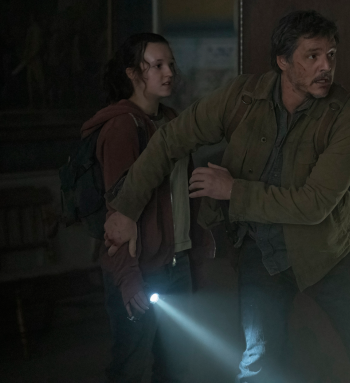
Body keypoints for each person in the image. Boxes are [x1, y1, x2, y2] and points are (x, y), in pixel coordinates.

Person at [103, 12, 350, 383]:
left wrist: (233, 190)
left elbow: (313, 204)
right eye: (312, 56)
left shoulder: (348, 117)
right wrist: (126, 208)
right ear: (283, 61)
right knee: (259, 363)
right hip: (261, 253)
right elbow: (170, 139)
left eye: (330, 55)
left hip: (326, 254)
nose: (326, 66)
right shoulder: (243, 97)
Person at [83, 32, 214, 382]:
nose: (168, 72)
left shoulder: (172, 121)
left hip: (176, 263)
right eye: (156, 65)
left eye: (170, 63)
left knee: (174, 368)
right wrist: (128, 279)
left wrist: (195, 251)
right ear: (132, 73)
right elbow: (118, 213)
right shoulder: (122, 128)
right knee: (129, 365)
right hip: (141, 269)